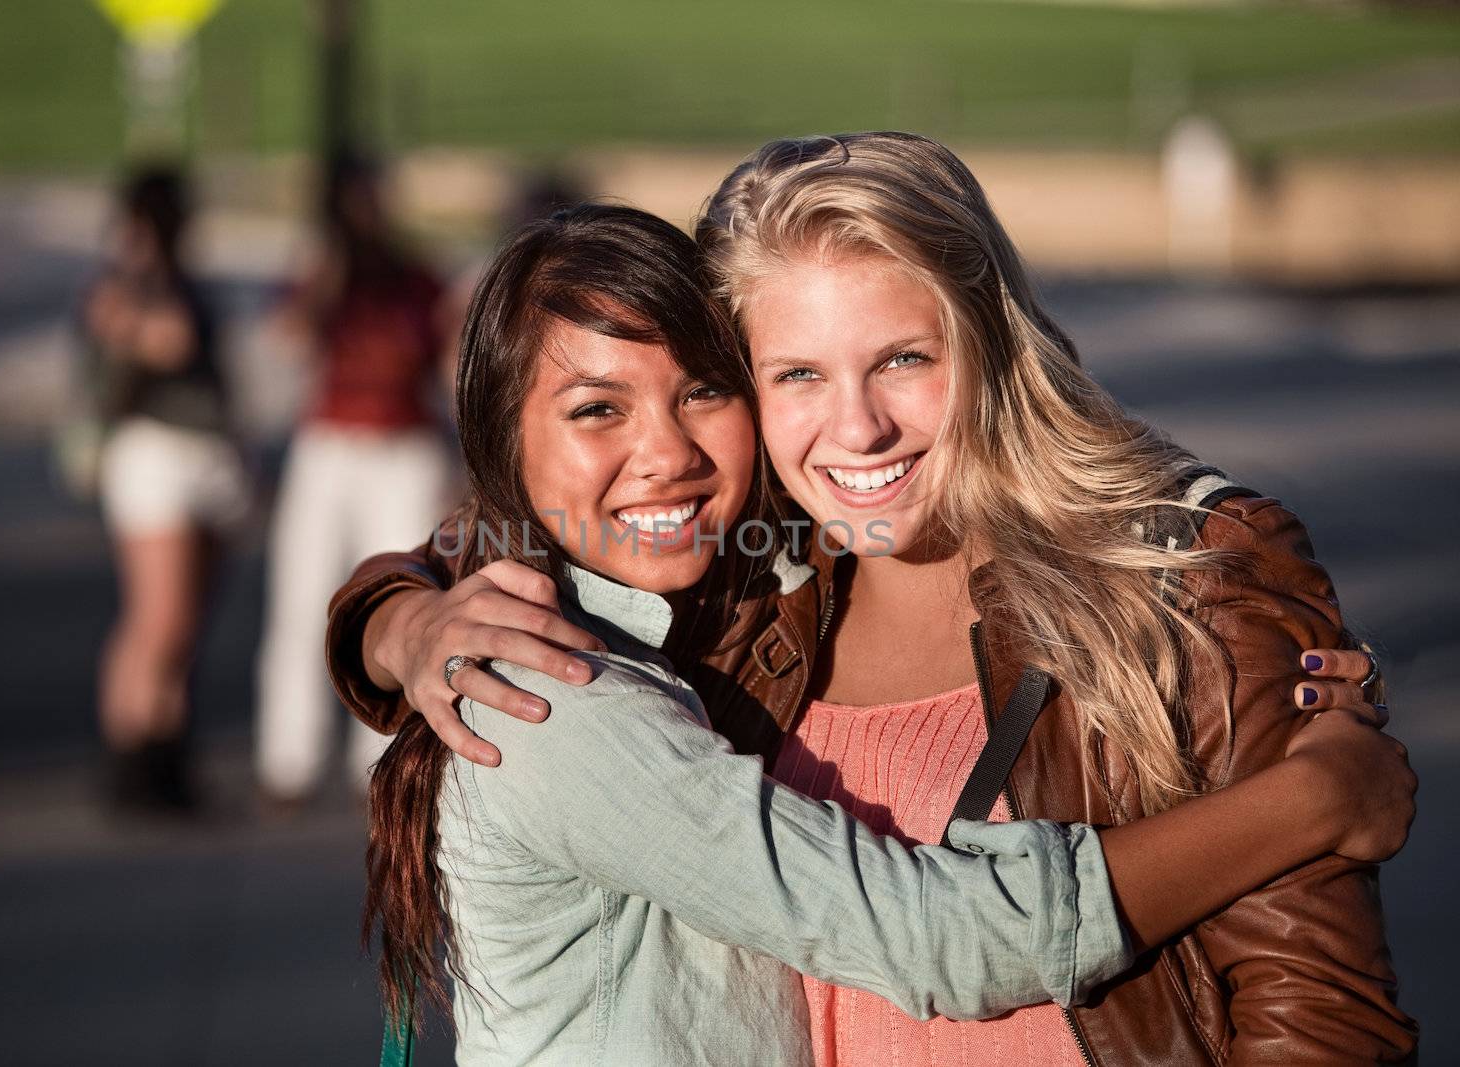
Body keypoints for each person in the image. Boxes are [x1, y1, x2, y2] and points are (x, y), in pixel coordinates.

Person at [357, 204, 1414, 1065]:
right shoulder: (559, 687)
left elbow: (1315, 1012)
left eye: (705, 389)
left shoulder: (1177, 577)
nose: (666, 451)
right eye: (597, 410)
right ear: (501, 438)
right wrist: (1314, 798)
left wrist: (386, 618)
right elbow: (938, 936)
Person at [253, 152, 451, 802]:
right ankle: (289, 758)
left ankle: (382, 754)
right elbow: (287, 338)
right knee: (304, 597)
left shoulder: (412, 275)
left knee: (401, 592)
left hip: (403, 443)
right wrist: (327, 269)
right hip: (331, 443)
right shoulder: (323, 272)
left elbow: (446, 359)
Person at [81, 165, 249, 814]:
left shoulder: (184, 280)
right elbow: (166, 340)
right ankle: (133, 755)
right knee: (159, 617)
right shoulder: (122, 286)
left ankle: (171, 750)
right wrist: (140, 262)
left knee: (187, 623)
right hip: (153, 455)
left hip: (207, 453)